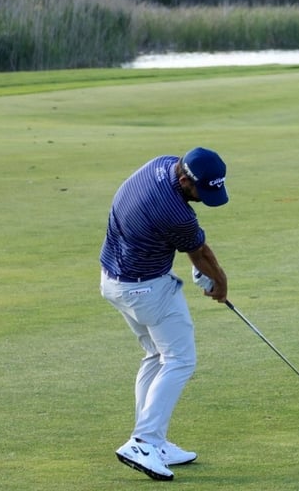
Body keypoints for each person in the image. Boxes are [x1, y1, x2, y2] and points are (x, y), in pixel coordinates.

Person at [100, 147, 231, 481]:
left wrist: (199, 269)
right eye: (202, 191)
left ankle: (153, 442)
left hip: (114, 282)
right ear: (185, 179)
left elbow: (190, 250)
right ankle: (143, 441)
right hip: (146, 289)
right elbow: (198, 250)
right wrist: (219, 281)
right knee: (180, 360)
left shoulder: (161, 163)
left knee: (156, 356)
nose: (205, 197)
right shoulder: (177, 214)